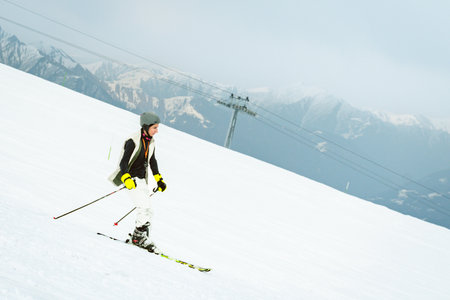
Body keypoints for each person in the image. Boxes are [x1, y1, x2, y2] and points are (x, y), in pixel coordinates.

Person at [109, 111, 167, 252]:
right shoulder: (133, 140)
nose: (157, 131)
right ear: (146, 126)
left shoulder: (151, 141)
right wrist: (126, 178)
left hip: (142, 179)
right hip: (132, 179)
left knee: (148, 210)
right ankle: (138, 238)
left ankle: (141, 235)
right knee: (144, 207)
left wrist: (159, 179)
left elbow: (152, 161)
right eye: (155, 128)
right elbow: (123, 162)